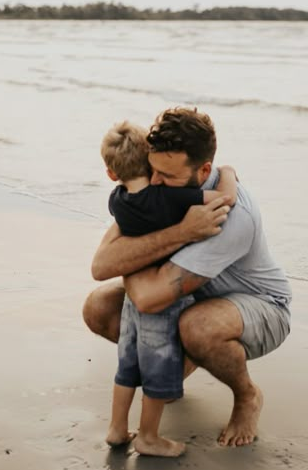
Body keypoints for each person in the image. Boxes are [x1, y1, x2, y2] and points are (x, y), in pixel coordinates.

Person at [83, 107, 292, 448]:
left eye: (167, 176)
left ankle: (247, 396)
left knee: (198, 327)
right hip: (191, 298)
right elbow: (100, 266)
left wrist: (144, 253)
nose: (154, 183)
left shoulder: (230, 215)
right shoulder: (157, 191)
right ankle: (175, 371)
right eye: (153, 170)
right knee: (99, 307)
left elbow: (147, 296)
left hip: (260, 307)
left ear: (205, 170)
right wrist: (181, 231)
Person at [100, 120, 238, 457]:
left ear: (111, 173)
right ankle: (149, 437)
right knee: (158, 370)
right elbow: (226, 197)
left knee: (127, 366)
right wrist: (229, 171)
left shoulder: (116, 201)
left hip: (131, 299)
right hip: (159, 301)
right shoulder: (169, 198)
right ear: (149, 162)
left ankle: (117, 429)